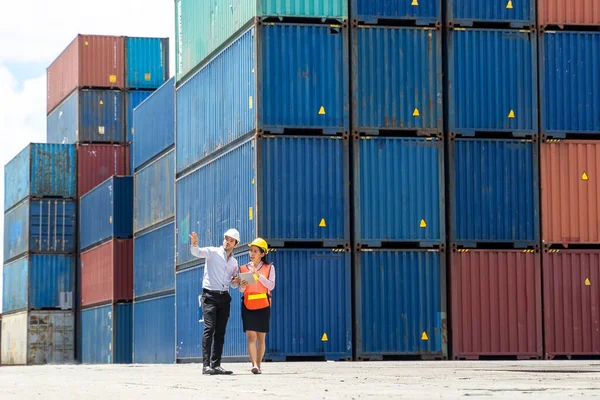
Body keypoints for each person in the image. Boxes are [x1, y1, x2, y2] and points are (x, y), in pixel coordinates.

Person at [190, 228, 241, 376]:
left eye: (231, 240)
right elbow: (197, 252)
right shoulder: (212, 252)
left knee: (220, 332)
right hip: (209, 296)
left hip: (224, 297)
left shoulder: (234, 262)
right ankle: (206, 366)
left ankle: (216, 365)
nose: (228, 242)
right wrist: (194, 245)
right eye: (226, 238)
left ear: (235, 244)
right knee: (209, 329)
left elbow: (232, 283)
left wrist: (236, 281)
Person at [238, 238, 276, 374]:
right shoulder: (243, 268)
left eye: (255, 251)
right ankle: (254, 364)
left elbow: (271, 285)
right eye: (251, 251)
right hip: (248, 306)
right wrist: (241, 285)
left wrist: (258, 275)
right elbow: (242, 290)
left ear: (262, 253)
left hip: (263, 305)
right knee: (251, 337)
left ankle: (258, 365)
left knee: (261, 338)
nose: (252, 254)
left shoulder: (269, 268)